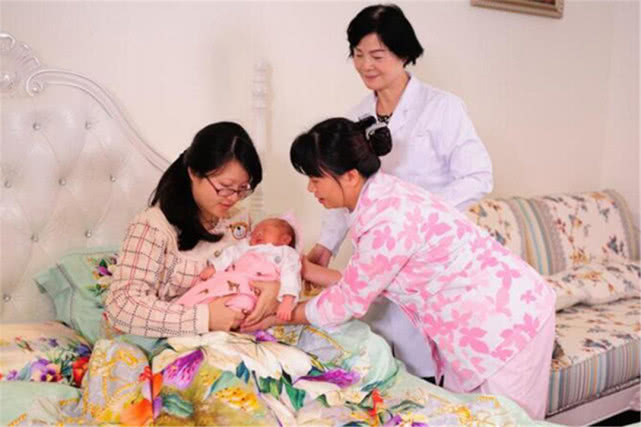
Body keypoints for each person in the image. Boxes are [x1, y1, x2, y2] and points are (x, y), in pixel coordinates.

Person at [244, 116, 555, 420]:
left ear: (350, 176)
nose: (311, 189)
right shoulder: (380, 198)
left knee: (508, 419)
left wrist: (283, 314)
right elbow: (365, 281)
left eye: (315, 179)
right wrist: (308, 271)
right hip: (479, 322)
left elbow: (349, 301)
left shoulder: (387, 220)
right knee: (470, 416)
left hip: (508, 323)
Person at [306, 3, 493, 380]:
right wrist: (326, 245)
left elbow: (477, 176)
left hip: (430, 261)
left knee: (429, 373)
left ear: (404, 53)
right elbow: (346, 187)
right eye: (358, 55)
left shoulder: (442, 108)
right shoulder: (357, 117)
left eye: (377, 55)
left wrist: (420, 219)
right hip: (379, 256)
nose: (366, 65)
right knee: (382, 368)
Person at [104, 122, 281, 337]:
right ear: (194, 173)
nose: (234, 198)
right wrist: (206, 318)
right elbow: (123, 305)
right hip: (171, 340)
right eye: (225, 187)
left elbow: (260, 264)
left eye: (242, 189)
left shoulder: (239, 220)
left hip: (234, 335)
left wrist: (274, 288)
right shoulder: (153, 226)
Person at [174, 216, 302, 321]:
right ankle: (186, 311)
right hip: (231, 279)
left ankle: (228, 317)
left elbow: (291, 275)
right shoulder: (246, 246)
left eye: (265, 230)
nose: (257, 232)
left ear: (285, 239)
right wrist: (214, 267)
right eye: (255, 230)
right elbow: (230, 254)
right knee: (206, 288)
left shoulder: (286, 253)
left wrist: (288, 299)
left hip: (253, 288)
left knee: (244, 304)